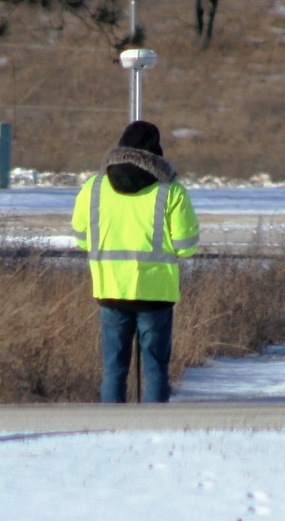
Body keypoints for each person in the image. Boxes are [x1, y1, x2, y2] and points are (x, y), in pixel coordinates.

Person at [72, 120, 200, 403]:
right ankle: (154, 428)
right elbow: (186, 247)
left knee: (114, 368)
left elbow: (81, 238)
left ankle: (111, 430)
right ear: (156, 152)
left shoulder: (94, 188)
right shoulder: (171, 191)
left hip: (110, 289)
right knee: (155, 368)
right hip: (156, 291)